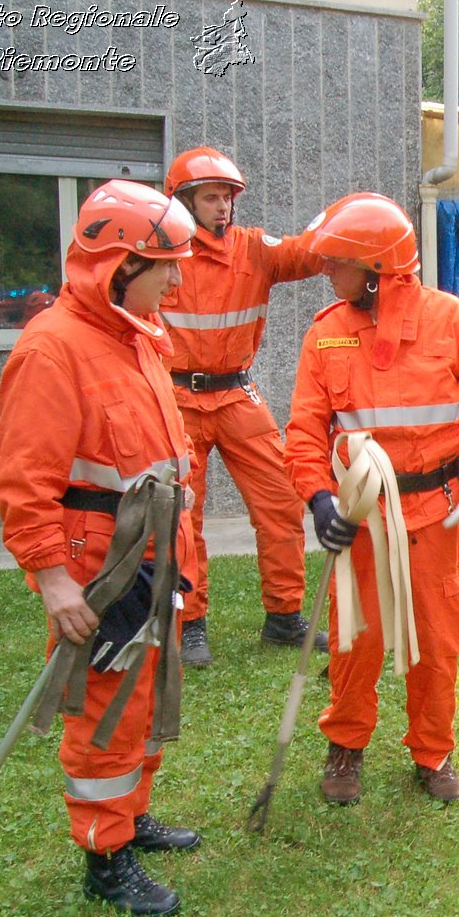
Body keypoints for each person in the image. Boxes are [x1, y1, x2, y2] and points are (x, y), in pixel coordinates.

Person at [0, 180, 202, 917]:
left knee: (145, 698)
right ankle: (104, 856)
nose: (176, 279)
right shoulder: (52, 350)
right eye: (166, 265)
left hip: (152, 556)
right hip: (96, 568)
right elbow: (25, 481)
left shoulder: (137, 336)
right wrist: (53, 580)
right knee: (107, 711)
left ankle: (131, 816)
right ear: (118, 265)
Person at [283, 192, 459, 804]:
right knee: (355, 636)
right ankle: (346, 749)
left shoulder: (451, 322)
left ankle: (432, 752)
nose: (328, 272)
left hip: (436, 511)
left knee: (437, 639)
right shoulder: (327, 335)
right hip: (361, 515)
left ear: (378, 266)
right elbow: (305, 430)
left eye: (339, 261)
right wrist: (319, 501)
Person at [160, 146, 326, 667]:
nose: (223, 207)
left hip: (236, 393)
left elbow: (308, 253)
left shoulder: (254, 249)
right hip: (176, 397)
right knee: (183, 516)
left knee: (280, 500)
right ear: (183, 201)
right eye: (211, 197)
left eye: (228, 197)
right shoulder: (160, 253)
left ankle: (284, 618)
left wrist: (348, 222)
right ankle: (189, 624)